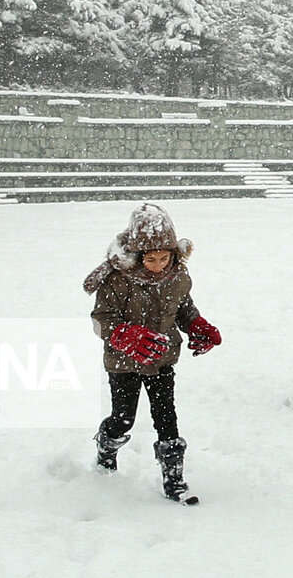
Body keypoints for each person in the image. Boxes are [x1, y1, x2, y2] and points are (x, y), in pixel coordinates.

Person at [85, 203, 222, 504]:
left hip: (161, 358)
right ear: (137, 256)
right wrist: (124, 334)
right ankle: (106, 447)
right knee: (123, 419)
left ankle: (173, 479)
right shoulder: (117, 279)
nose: (159, 265)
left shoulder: (177, 276)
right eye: (151, 259)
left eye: (165, 258)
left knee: (166, 418)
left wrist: (197, 325)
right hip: (123, 362)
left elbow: (183, 308)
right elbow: (102, 318)